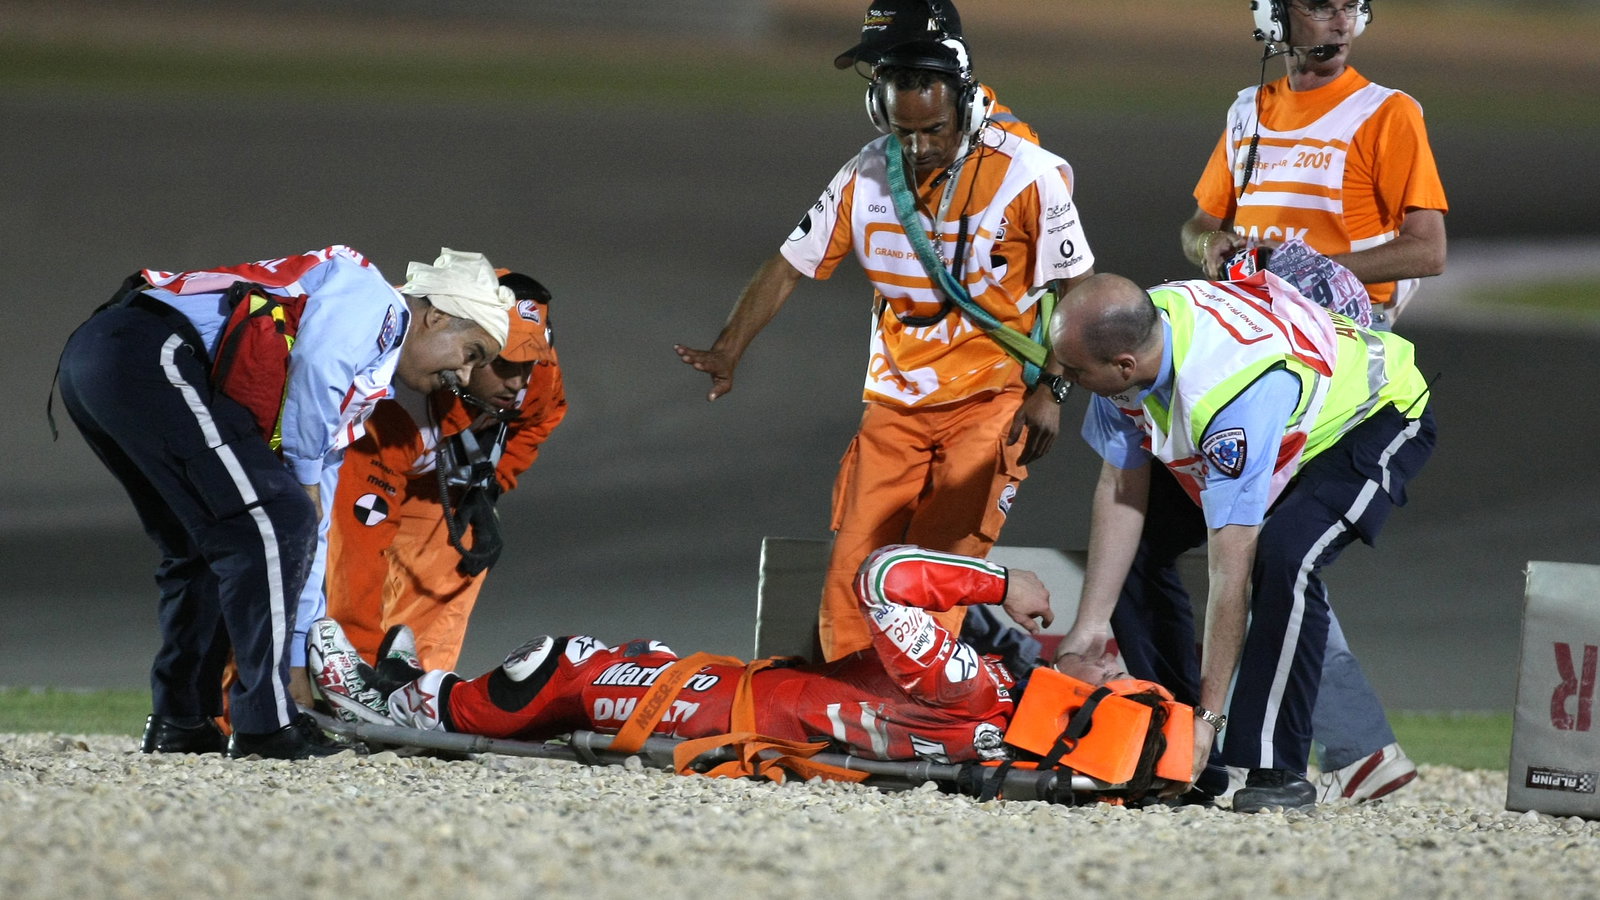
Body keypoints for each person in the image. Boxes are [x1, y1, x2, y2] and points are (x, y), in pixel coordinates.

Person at [675, 0, 1095, 662]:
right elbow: (789, 265)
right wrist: (730, 347)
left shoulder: (1030, 175)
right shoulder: (866, 173)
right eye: (903, 133)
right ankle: (848, 705)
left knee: (942, 560)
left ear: (965, 100)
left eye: (933, 132)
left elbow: (1082, 295)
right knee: (857, 562)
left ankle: (919, 706)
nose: (918, 148)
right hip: (893, 406)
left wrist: (1055, 392)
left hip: (991, 403)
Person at [57, 245, 513, 760]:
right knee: (279, 515)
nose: (468, 377)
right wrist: (304, 484)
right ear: (436, 316)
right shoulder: (374, 300)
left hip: (105, 360)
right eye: (472, 353)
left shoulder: (359, 391)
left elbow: (313, 540)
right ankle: (264, 726)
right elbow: (317, 371)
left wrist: (298, 660)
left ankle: (180, 719)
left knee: (209, 546)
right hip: (147, 351)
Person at [1176, 0, 1448, 801]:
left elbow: (1428, 248)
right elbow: (1197, 225)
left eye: (1349, 6)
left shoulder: (1389, 113)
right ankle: (1363, 754)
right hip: (1253, 362)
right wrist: (1213, 247)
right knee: (1265, 558)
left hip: (1337, 373)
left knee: (1272, 556)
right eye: (1318, 4)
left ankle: (1303, 753)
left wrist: (1311, 265)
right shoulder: (1246, 111)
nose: (1338, 21)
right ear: (1270, 13)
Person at [1048, 271, 1436, 812]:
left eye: (1071, 372)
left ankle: (1275, 768)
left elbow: (1229, 572)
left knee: (1285, 558)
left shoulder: (1226, 397)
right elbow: (1120, 489)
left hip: (1371, 417)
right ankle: (1176, 748)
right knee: (1141, 547)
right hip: (1278, 421)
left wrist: (1212, 717)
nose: (1060, 381)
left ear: (1123, 367)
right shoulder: (1132, 330)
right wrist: (1089, 628)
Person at [311, 544, 1053, 763]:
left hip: (731, 709)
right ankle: (419, 692)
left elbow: (885, 579)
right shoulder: (999, 720)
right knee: (579, 674)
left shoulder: (975, 689)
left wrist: (1001, 582)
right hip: (749, 699)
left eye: (1111, 670)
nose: (1101, 649)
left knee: (560, 664)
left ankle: (396, 703)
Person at [324, 271, 567, 671]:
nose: (519, 383)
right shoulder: (391, 401)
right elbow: (357, 550)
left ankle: (412, 693)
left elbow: (542, 416)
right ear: (473, 346)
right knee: (303, 585)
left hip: (429, 473)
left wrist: (490, 484)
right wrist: (360, 664)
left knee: (454, 555)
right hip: (330, 465)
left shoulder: (534, 373)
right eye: (504, 364)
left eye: (531, 362)